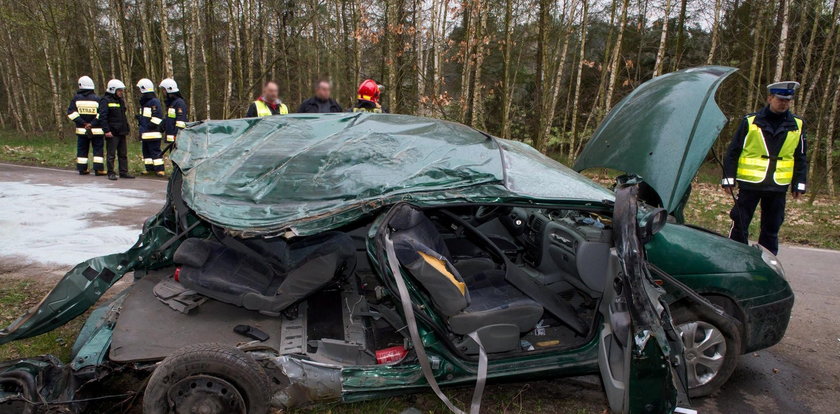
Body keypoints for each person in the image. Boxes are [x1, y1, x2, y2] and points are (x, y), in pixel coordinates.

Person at [722, 81, 807, 255]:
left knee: (772, 227)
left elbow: (801, 156)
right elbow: (733, 151)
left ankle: (767, 263)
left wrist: (799, 183)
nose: (784, 103)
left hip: (777, 185)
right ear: (770, 98)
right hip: (750, 183)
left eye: (787, 100)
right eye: (780, 99)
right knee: (740, 222)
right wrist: (728, 179)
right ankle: (735, 256)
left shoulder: (797, 125)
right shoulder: (750, 121)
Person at [66, 76, 105, 175]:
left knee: (82, 150)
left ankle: (82, 169)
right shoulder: (97, 99)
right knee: (98, 150)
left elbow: (71, 113)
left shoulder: (76, 99)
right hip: (96, 130)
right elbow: (101, 114)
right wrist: (92, 124)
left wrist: (83, 123)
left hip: (82, 130)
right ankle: (98, 169)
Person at [96, 79, 134, 180]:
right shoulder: (105, 100)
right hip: (112, 132)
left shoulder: (120, 101)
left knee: (123, 154)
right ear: (113, 90)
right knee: (111, 154)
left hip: (121, 131)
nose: (121, 92)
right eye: (119, 90)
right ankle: (111, 172)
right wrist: (106, 130)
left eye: (121, 90)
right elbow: (102, 117)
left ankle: (123, 172)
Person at [136, 78, 166, 176]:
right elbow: (145, 117)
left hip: (152, 132)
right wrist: (139, 119)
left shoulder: (154, 101)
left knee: (155, 152)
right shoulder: (145, 103)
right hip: (145, 133)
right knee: (146, 153)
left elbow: (157, 117)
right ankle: (150, 169)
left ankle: (160, 170)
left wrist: (149, 127)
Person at [159, 78, 188, 144]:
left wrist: (177, 136)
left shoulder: (179, 103)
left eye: (164, 90)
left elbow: (181, 122)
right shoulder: (172, 103)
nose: (163, 92)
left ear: (169, 89)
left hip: (177, 140)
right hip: (172, 140)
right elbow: (170, 118)